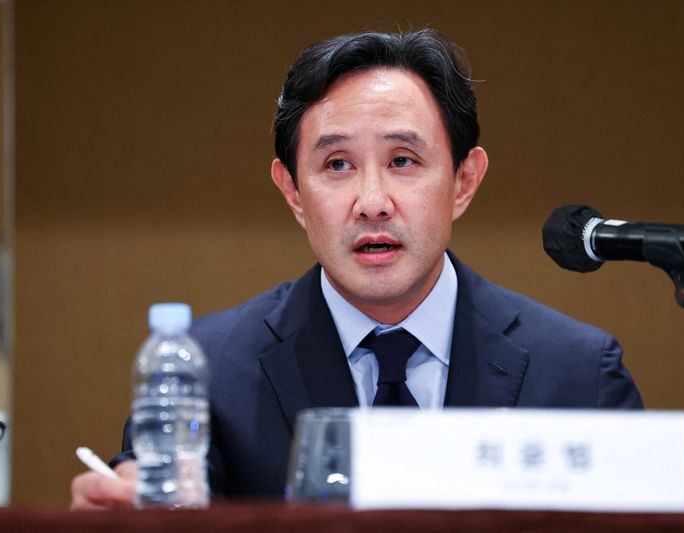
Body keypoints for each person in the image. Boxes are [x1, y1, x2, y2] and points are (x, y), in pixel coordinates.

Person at [70, 28, 642, 510]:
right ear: (293, 191)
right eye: (337, 164)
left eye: (403, 160)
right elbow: (156, 492)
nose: (372, 200)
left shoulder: (578, 374)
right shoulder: (212, 370)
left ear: (464, 181)